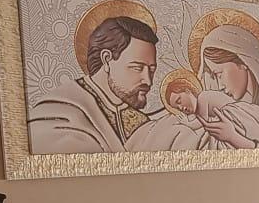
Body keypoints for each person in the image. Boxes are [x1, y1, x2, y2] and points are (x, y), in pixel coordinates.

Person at [27, 14, 168, 153]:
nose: (148, 81)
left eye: (151, 70)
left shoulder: (139, 121)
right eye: (137, 68)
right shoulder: (58, 115)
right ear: (106, 59)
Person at [196, 19, 259, 150]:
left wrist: (233, 137)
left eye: (219, 74)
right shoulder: (234, 112)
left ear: (243, 62)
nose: (220, 85)